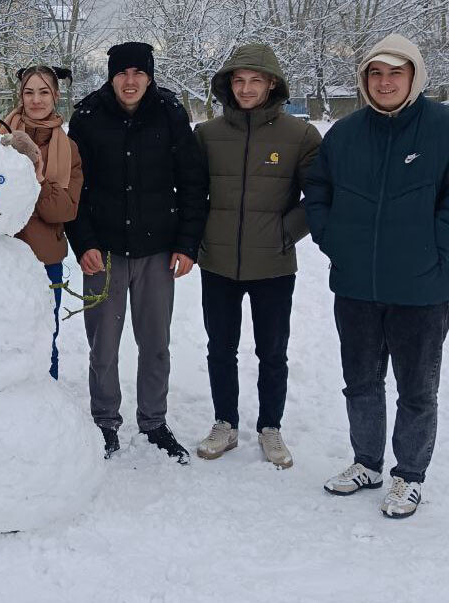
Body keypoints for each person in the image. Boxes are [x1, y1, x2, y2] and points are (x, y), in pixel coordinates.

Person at [304, 34, 449, 518]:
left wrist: (437, 254)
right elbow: (317, 189)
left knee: (417, 392)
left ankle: (409, 475)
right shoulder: (345, 134)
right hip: (357, 288)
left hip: (421, 290)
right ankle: (367, 462)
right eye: (375, 73)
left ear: (414, 76)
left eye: (395, 73)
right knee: (361, 383)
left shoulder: (442, 127)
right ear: (364, 79)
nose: (385, 82)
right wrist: (332, 238)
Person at [65, 42, 209, 462]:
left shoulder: (170, 112)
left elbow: (192, 183)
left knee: (156, 343)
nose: (130, 81)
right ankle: (104, 420)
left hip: (157, 251)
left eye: (138, 73)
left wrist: (187, 243)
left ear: (149, 76)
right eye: (122, 73)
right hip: (103, 252)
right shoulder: (89, 115)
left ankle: (153, 420)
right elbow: (75, 186)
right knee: (103, 345)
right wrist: (84, 243)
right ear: (112, 76)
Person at [192, 44, 322, 468]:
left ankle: (270, 426)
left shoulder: (300, 136)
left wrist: (285, 234)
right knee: (220, 347)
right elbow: (192, 194)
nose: (246, 89)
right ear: (228, 85)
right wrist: (201, 237)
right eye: (239, 80)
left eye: (256, 80)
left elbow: (318, 195)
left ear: (272, 85)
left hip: (273, 265)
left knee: (273, 351)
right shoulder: (207, 135)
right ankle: (225, 423)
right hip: (218, 263)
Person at [0, 65, 82, 379]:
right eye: (29, 92)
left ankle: (44, 401)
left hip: (43, 262)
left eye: (44, 92)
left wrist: (38, 179)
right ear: (20, 96)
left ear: (56, 96)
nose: (36, 100)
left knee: (42, 340)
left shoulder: (68, 149)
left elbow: (63, 211)